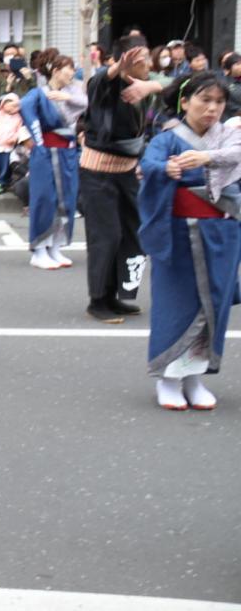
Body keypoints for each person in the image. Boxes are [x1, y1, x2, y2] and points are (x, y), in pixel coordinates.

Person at [139, 72, 241, 411]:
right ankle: (168, 378)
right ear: (185, 102)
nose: (212, 109)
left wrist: (207, 159)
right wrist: (164, 170)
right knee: (176, 305)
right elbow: (148, 163)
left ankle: (195, 377)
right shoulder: (168, 138)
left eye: (219, 102)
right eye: (204, 100)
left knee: (213, 306)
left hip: (223, 233)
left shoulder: (229, 136)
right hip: (179, 234)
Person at [81, 37, 164, 323]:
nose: (148, 65)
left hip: (127, 171)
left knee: (133, 233)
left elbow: (182, 84)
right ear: (123, 61)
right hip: (98, 172)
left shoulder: (143, 86)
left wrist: (150, 85)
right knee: (106, 235)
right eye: (141, 60)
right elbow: (99, 83)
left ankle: (118, 294)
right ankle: (98, 300)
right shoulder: (106, 85)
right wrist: (115, 69)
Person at [19, 54, 88, 270]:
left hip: (67, 152)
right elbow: (26, 109)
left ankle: (55, 246)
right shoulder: (38, 93)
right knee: (44, 198)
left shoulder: (72, 93)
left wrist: (65, 98)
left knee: (67, 200)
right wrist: (38, 140)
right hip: (46, 152)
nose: (72, 73)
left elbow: (88, 104)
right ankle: (39, 249)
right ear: (55, 70)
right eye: (68, 69)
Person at [0, 93, 23, 194]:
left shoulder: (18, 117)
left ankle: (1, 183)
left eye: (13, 106)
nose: (10, 108)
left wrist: (14, 138)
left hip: (8, 146)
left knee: (4, 166)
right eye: (7, 105)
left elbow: (19, 131)